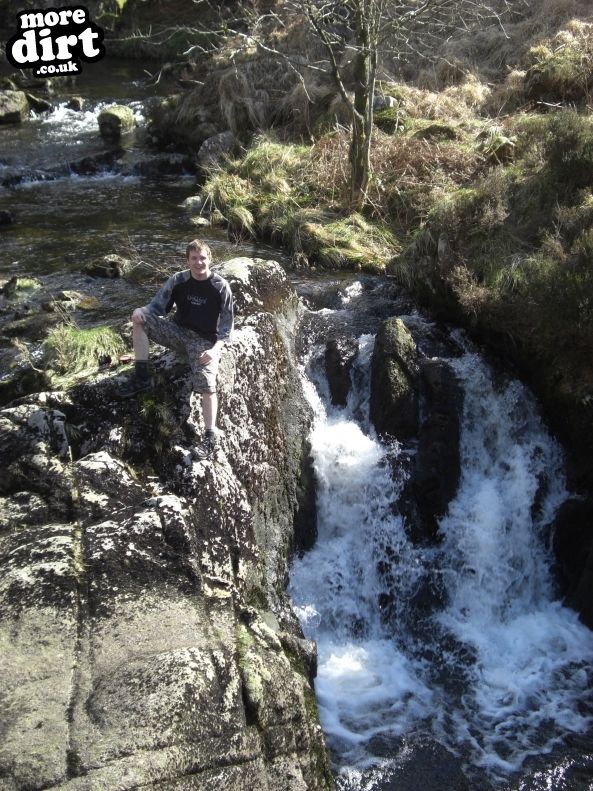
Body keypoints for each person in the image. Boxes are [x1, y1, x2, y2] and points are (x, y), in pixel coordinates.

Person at [120, 239, 234, 460]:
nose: (199, 262)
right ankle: (142, 377)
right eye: (194, 258)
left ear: (210, 259)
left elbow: (227, 327)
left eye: (203, 258)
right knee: (140, 320)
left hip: (203, 341)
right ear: (187, 260)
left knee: (207, 384)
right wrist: (139, 309)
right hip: (177, 332)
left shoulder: (220, 287)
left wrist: (215, 350)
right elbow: (157, 307)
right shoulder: (178, 280)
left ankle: (210, 437)